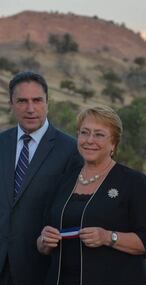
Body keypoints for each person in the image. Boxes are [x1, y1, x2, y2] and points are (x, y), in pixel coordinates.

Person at [37, 106, 146, 285]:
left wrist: (108, 237)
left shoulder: (133, 182)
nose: (89, 140)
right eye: (84, 133)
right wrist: (44, 241)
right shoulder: (62, 181)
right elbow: (42, 242)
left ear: (113, 143)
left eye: (99, 135)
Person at [0, 71, 82, 285]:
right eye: (22, 101)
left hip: (42, 268)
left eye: (37, 100)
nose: (30, 109)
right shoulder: (1, 143)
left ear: (47, 102)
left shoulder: (72, 150)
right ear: (11, 103)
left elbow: (74, 211)